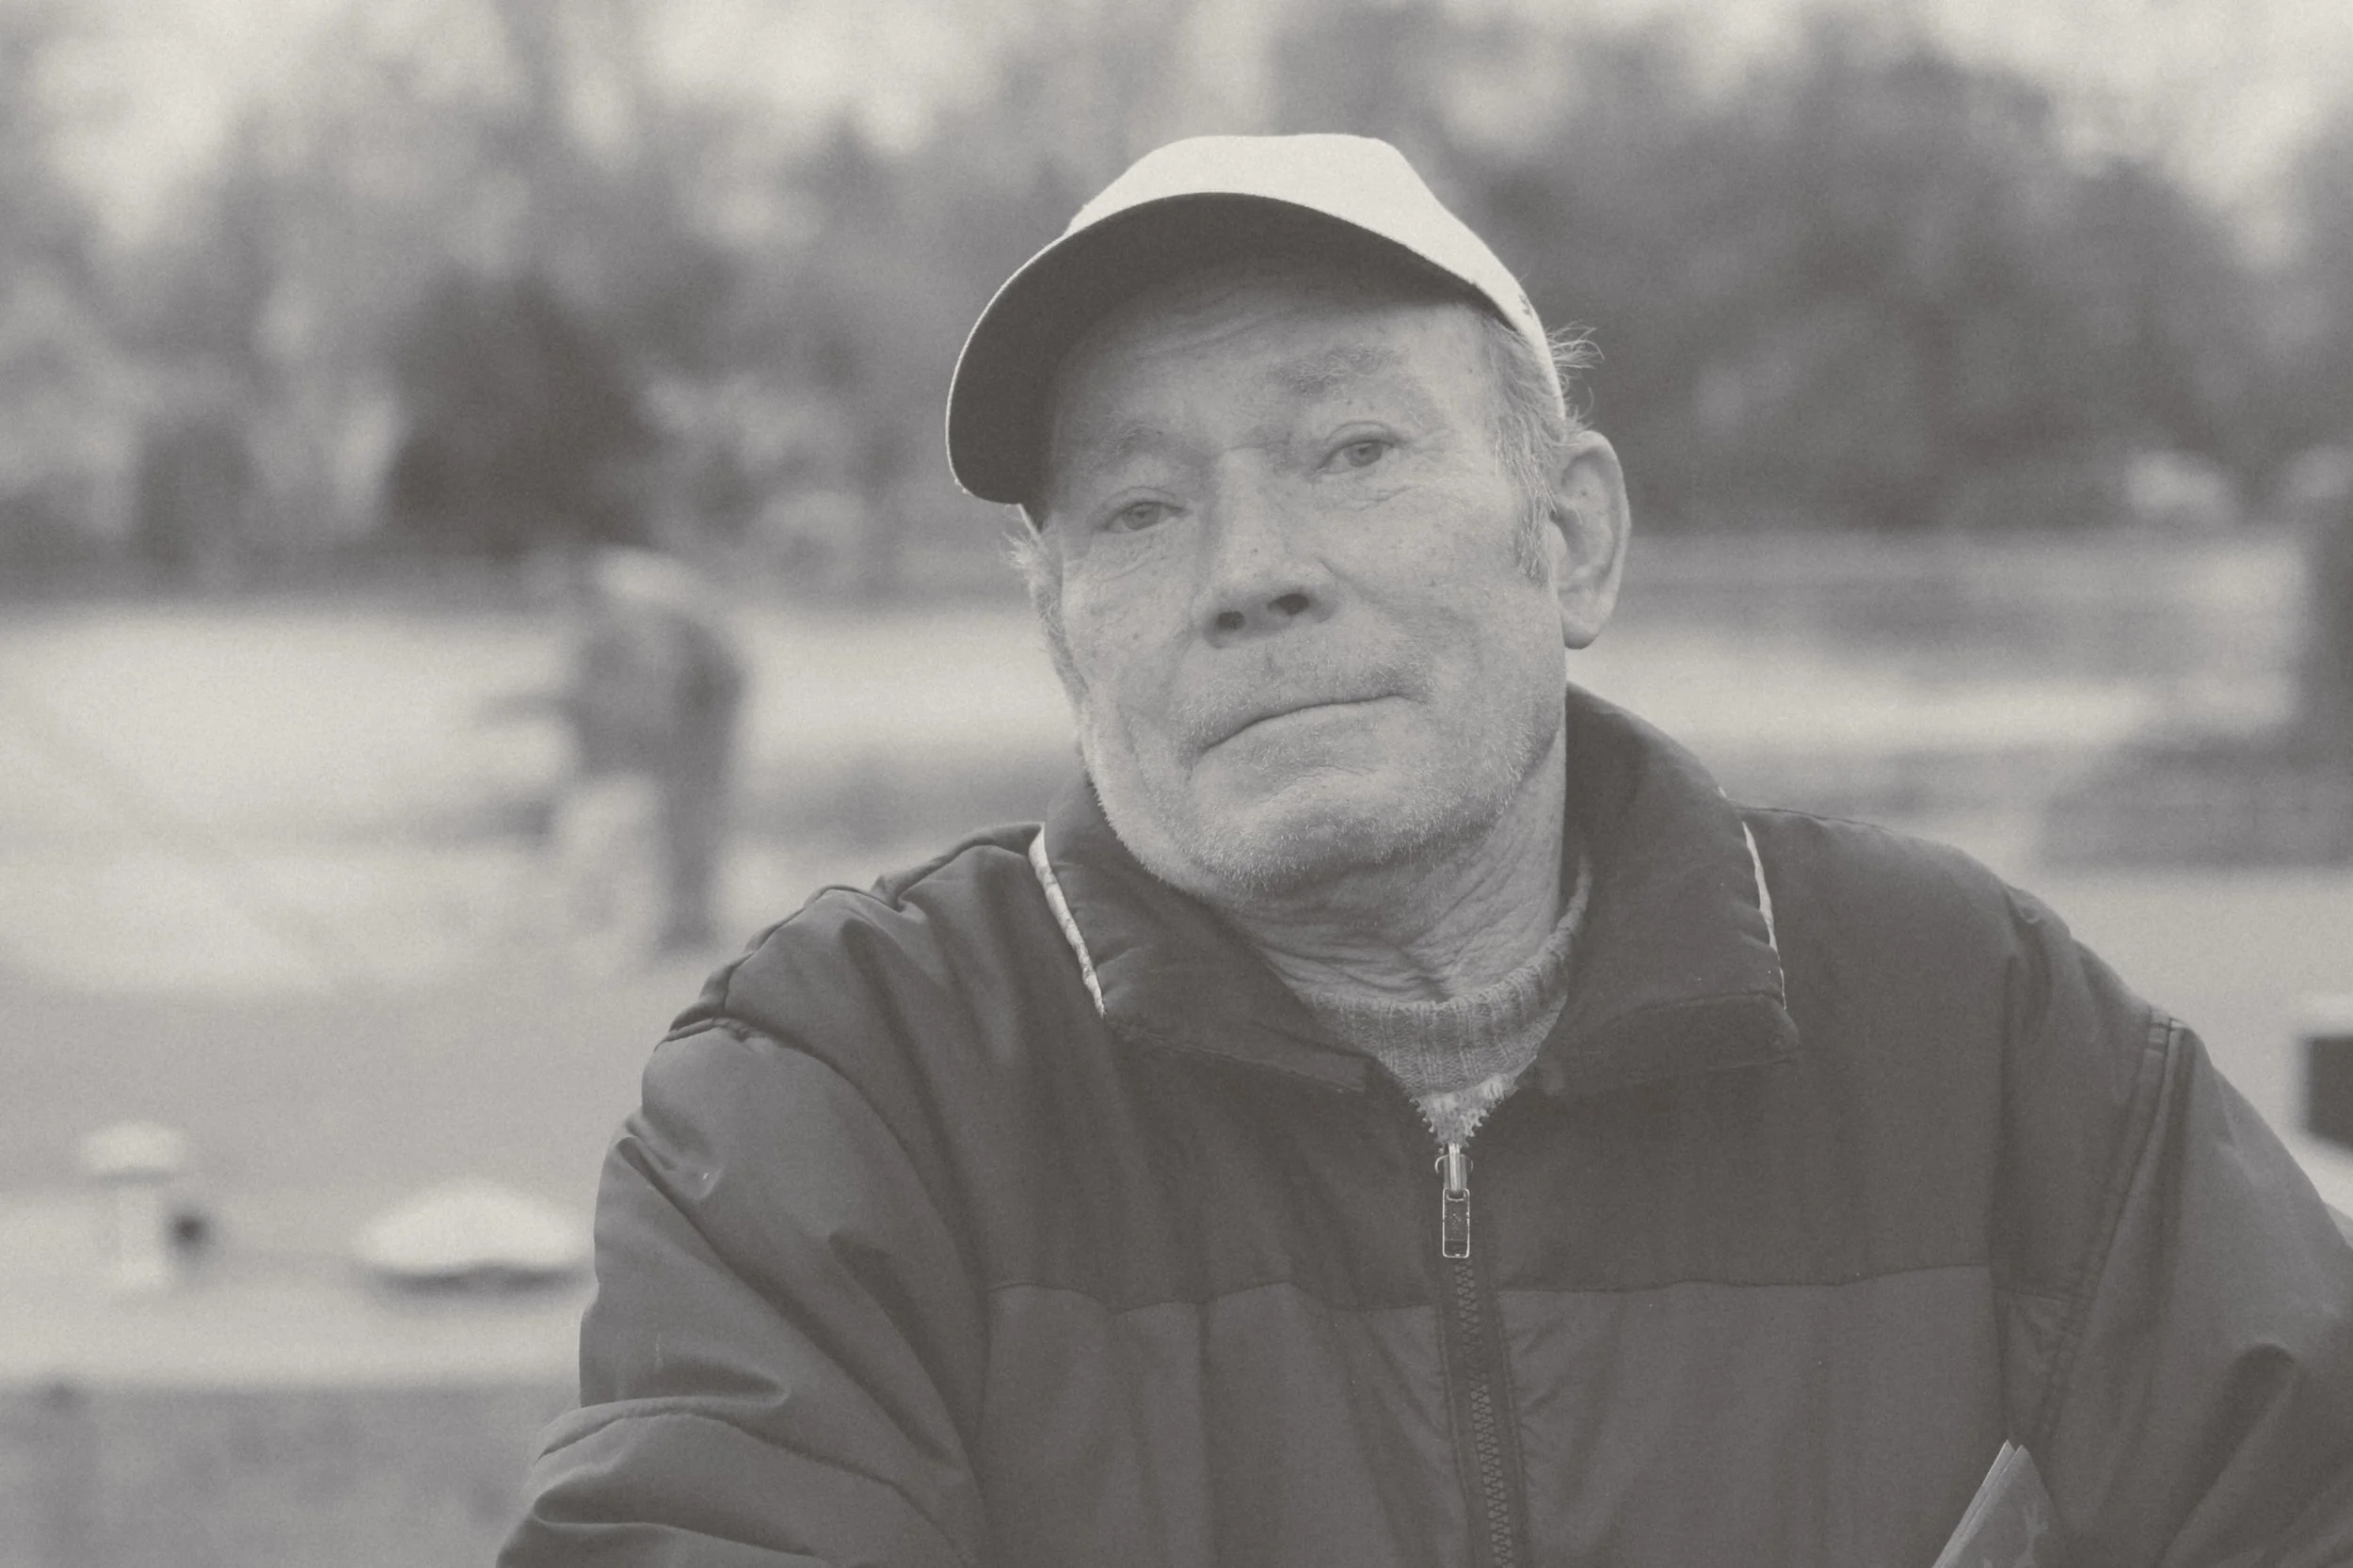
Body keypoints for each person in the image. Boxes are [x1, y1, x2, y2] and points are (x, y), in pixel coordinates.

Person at [500, 136, 2353, 1566]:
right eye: (1140, 508)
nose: (1249, 572)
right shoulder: (839, 1085)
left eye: (1351, 451)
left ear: (1572, 540)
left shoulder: (1974, 1018)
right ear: (1063, 627)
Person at [552, 546, 746, 953]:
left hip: (708, 694)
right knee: (680, 812)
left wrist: (654, 744)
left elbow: (663, 672)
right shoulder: (628, 586)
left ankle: (686, 921)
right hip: (699, 689)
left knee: (689, 810)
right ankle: (682, 919)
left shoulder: (631, 595)